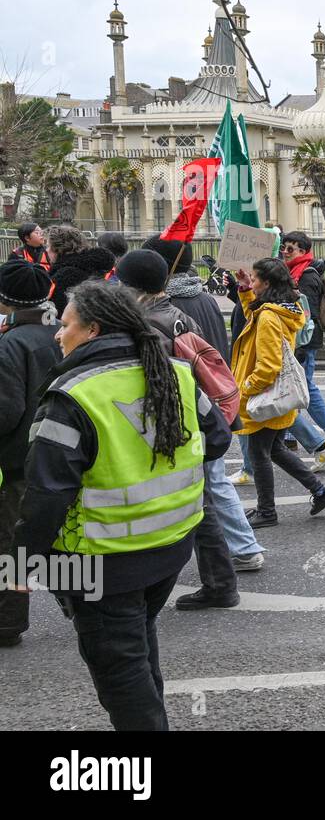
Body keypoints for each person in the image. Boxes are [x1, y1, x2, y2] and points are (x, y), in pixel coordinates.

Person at [15, 280, 231, 730]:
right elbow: (216, 440)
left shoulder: (72, 393)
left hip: (99, 561)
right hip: (171, 546)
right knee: (136, 644)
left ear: (92, 330)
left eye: (66, 323)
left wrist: (19, 568)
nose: (58, 333)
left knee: (121, 673)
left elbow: (45, 495)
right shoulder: (175, 371)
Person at [115, 250, 243, 607]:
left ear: (132, 286)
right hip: (193, 424)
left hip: (169, 429)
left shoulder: (146, 327)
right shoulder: (178, 316)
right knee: (201, 507)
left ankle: (215, 586)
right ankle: (220, 583)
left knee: (190, 509)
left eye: (122, 283)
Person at [143, 237, 265, 571]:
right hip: (212, 401)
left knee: (211, 483)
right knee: (213, 481)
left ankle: (242, 549)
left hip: (197, 405)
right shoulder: (202, 298)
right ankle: (240, 548)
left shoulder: (171, 308)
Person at [232, 258, 325, 528]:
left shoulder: (269, 316)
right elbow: (252, 318)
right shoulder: (282, 309)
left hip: (265, 397)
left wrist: (245, 387)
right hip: (279, 397)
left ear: (266, 284)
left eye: (254, 279)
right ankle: (320, 490)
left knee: (259, 454)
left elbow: (268, 366)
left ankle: (267, 510)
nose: (252, 282)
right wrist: (244, 290)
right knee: (275, 449)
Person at [0, 259, 60, 646]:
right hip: (62, 454)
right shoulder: (61, 333)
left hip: (19, 459)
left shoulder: (11, 343)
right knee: (61, 536)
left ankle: (7, 622)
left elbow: (6, 410)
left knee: (10, 544)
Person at [281, 231, 325, 445]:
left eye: (290, 248)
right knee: (300, 385)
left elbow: (306, 314)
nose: (285, 251)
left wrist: (300, 346)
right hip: (301, 339)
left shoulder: (306, 275)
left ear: (303, 251)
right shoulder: (294, 271)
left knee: (302, 386)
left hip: (304, 341)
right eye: (284, 247)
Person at [47, 225, 115, 315]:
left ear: (58, 249)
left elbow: (58, 313)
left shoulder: (64, 276)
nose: (46, 250)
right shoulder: (92, 268)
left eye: (48, 246)